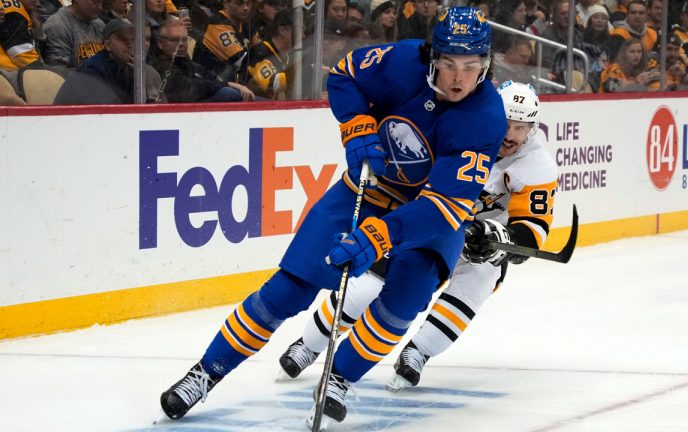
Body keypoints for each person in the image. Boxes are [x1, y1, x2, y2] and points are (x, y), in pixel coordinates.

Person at [159, 6, 507, 428]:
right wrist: (357, 127)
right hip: (368, 189)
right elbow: (344, 74)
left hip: (427, 214)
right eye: (449, 64)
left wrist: (381, 236)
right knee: (288, 290)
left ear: (484, 66)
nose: (458, 78)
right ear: (432, 57)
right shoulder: (402, 61)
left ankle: (339, 378)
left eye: (471, 67)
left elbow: (446, 206)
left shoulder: (486, 117)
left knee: (406, 298)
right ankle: (205, 372)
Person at [276, 80, 558, 393]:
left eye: (521, 128)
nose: (510, 136)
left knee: (477, 280)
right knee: (369, 284)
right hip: (434, 223)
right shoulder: (456, 130)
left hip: (481, 241)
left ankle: (419, 352)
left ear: (532, 129)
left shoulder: (536, 164)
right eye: (506, 124)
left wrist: (500, 237)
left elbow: (532, 230)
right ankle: (312, 343)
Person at [53, 18, 165, 103]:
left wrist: (140, 73)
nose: (133, 45)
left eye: (135, 40)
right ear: (107, 45)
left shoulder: (129, 67)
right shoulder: (92, 70)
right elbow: (107, 111)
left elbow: (147, 107)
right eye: (126, 40)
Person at [151, 19, 256, 102]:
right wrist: (229, 86)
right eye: (174, 40)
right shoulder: (162, 68)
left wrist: (237, 85)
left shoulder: (188, 64)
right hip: (187, 116)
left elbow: (212, 79)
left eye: (184, 39)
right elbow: (193, 88)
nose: (181, 44)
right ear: (160, 43)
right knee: (228, 94)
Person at [43, 0, 105, 68]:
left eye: (101, 2)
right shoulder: (57, 26)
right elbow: (59, 70)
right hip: (71, 77)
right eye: (95, 2)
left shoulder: (99, 25)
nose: (100, 7)